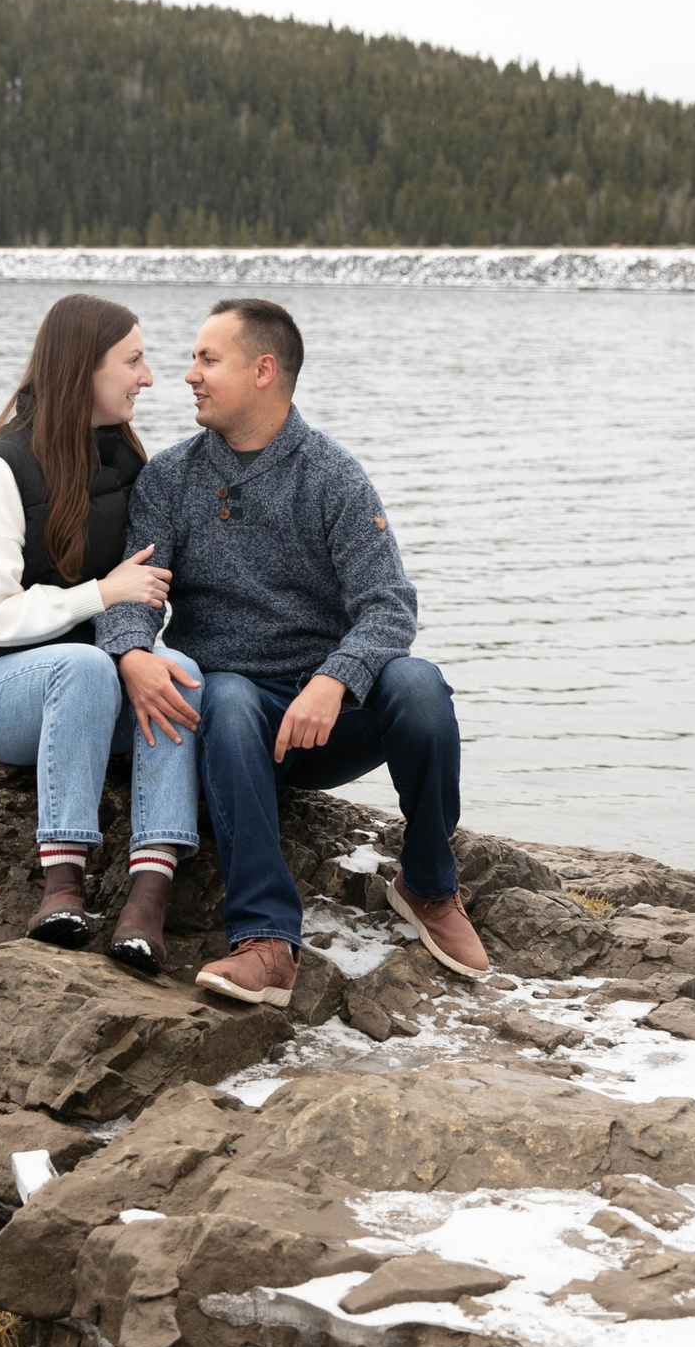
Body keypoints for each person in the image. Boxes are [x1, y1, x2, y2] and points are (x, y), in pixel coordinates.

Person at [96, 297, 488, 1007]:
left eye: (207, 359)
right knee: (230, 692)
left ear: (264, 371)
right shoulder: (171, 479)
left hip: (326, 717)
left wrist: (335, 680)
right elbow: (133, 594)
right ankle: (268, 939)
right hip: (231, 725)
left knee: (421, 687)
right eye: (191, 359)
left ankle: (429, 886)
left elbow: (389, 603)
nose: (188, 375)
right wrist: (130, 654)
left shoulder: (332, 475)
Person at [0, 293, 203, 976]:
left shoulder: (125, 463)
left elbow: (143, 595)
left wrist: (139, 650)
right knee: (83, 668)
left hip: (91, 693)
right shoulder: (0, 468)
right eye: (134, 360)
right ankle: (63, 888)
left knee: (178, 672)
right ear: (85, 366)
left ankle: (148, 899)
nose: (149, 377)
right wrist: (99, 594)